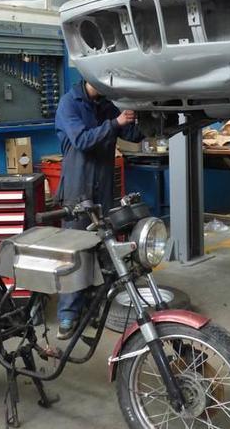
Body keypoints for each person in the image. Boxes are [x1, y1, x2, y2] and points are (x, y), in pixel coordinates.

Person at [54, 79, 142, 340]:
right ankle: (68, 315)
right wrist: (116, 123)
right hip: (77, 193)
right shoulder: (69, 103)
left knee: (104, 254)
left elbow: (132, 135)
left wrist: (153, 119)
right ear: (90, 77)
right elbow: (82, 140)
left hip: (103, 192)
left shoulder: (106, 105)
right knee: (75, 255)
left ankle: (93, 307)